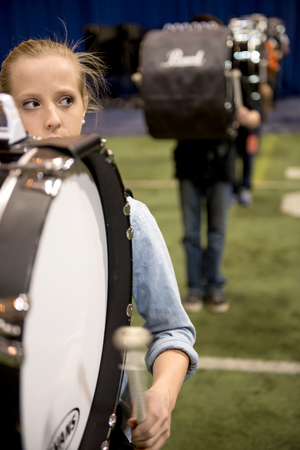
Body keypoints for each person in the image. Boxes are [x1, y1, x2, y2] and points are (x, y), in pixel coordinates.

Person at [0, 38, 198, 450]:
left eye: (66, 99)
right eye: (31, 103)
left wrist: (162, 395)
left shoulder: (126, 219)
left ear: (85, 104)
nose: (52, 119)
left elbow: (172, 330)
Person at [174, 14, 261, 313]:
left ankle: (214, 286)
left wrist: (244, 115)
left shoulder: (232, 72)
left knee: (216, 231)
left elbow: (255, 113)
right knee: (190, 233)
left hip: (222, 163)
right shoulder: (179, 74)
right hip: (188, 163)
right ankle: (195, 288)